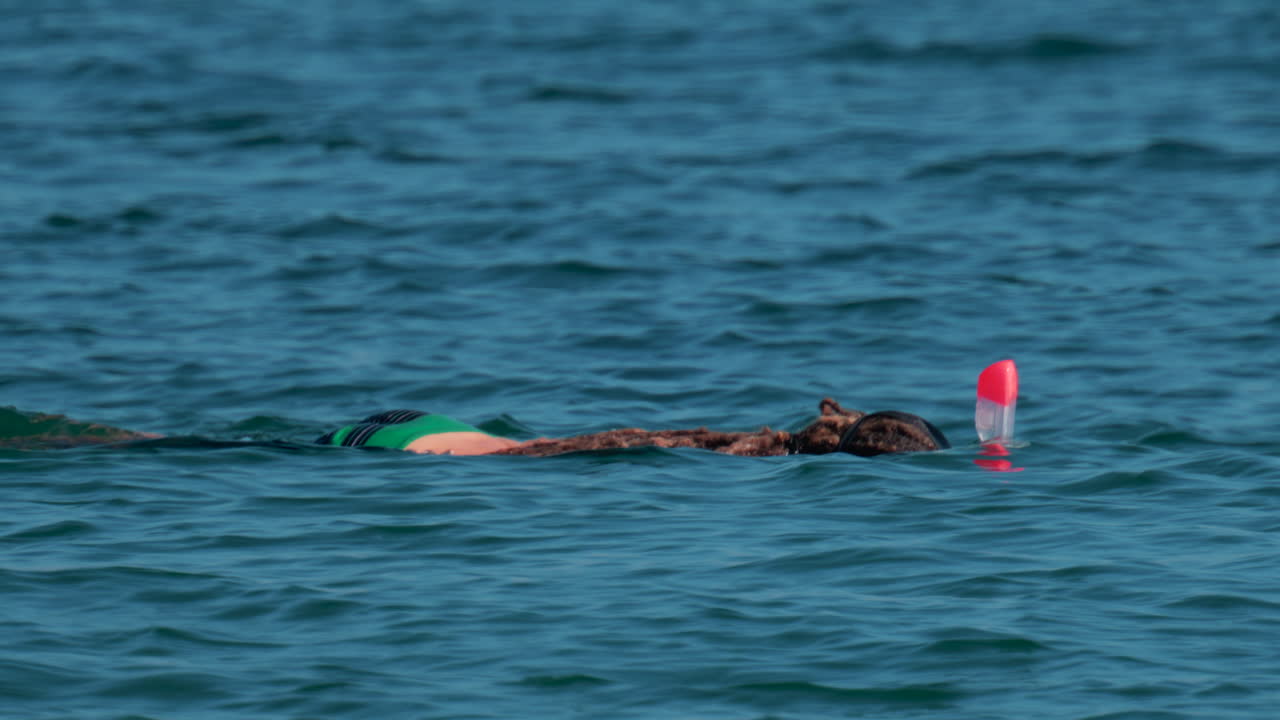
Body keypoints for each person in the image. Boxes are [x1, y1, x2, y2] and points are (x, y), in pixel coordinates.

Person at [1, 399, 949, 457]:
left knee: (184, 451)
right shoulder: (730, 461)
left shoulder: (739, 446)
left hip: (429, 434)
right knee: (185, 455)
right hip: (426, 452)